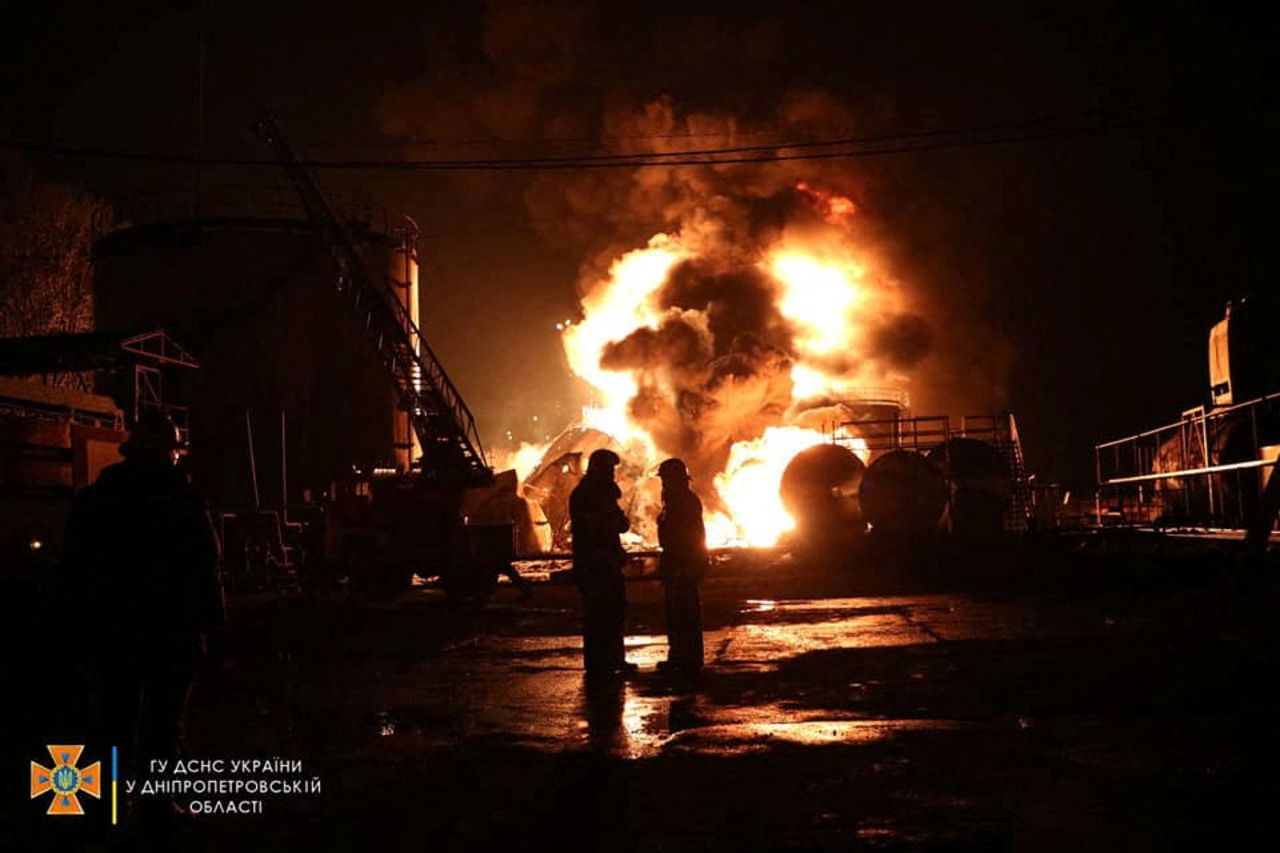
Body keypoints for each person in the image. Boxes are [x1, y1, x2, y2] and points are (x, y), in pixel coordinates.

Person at [65, 410, 223, 796]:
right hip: (170, 632)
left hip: (113, 630)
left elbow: (75, 565)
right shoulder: (183, 500)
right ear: (171, 452)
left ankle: (109, 804)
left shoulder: (96, 499)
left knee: (114, 719)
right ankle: (156, 808)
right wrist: (212, 622)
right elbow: (206, 562)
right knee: (162, 725)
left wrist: (80, 626)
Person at [569, 448, 636, 678]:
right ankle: (608, 663)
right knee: (608, 613)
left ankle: (602, 662)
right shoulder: (598, 495)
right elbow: (616, 525)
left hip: (593, 564)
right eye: (610, 469)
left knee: (600, 614)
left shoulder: (583, 493)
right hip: (600, 565)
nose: (613, 474)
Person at [656, 458, 707, 674]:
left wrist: (683, 566)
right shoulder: (677, 501)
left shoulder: (683, 502)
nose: (663, 483)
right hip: (679, 563)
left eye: (666, 478)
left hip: (684, 563)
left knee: (684, 613)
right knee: (677, 613)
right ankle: (679, 656)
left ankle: (687, 659)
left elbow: (685, 537)